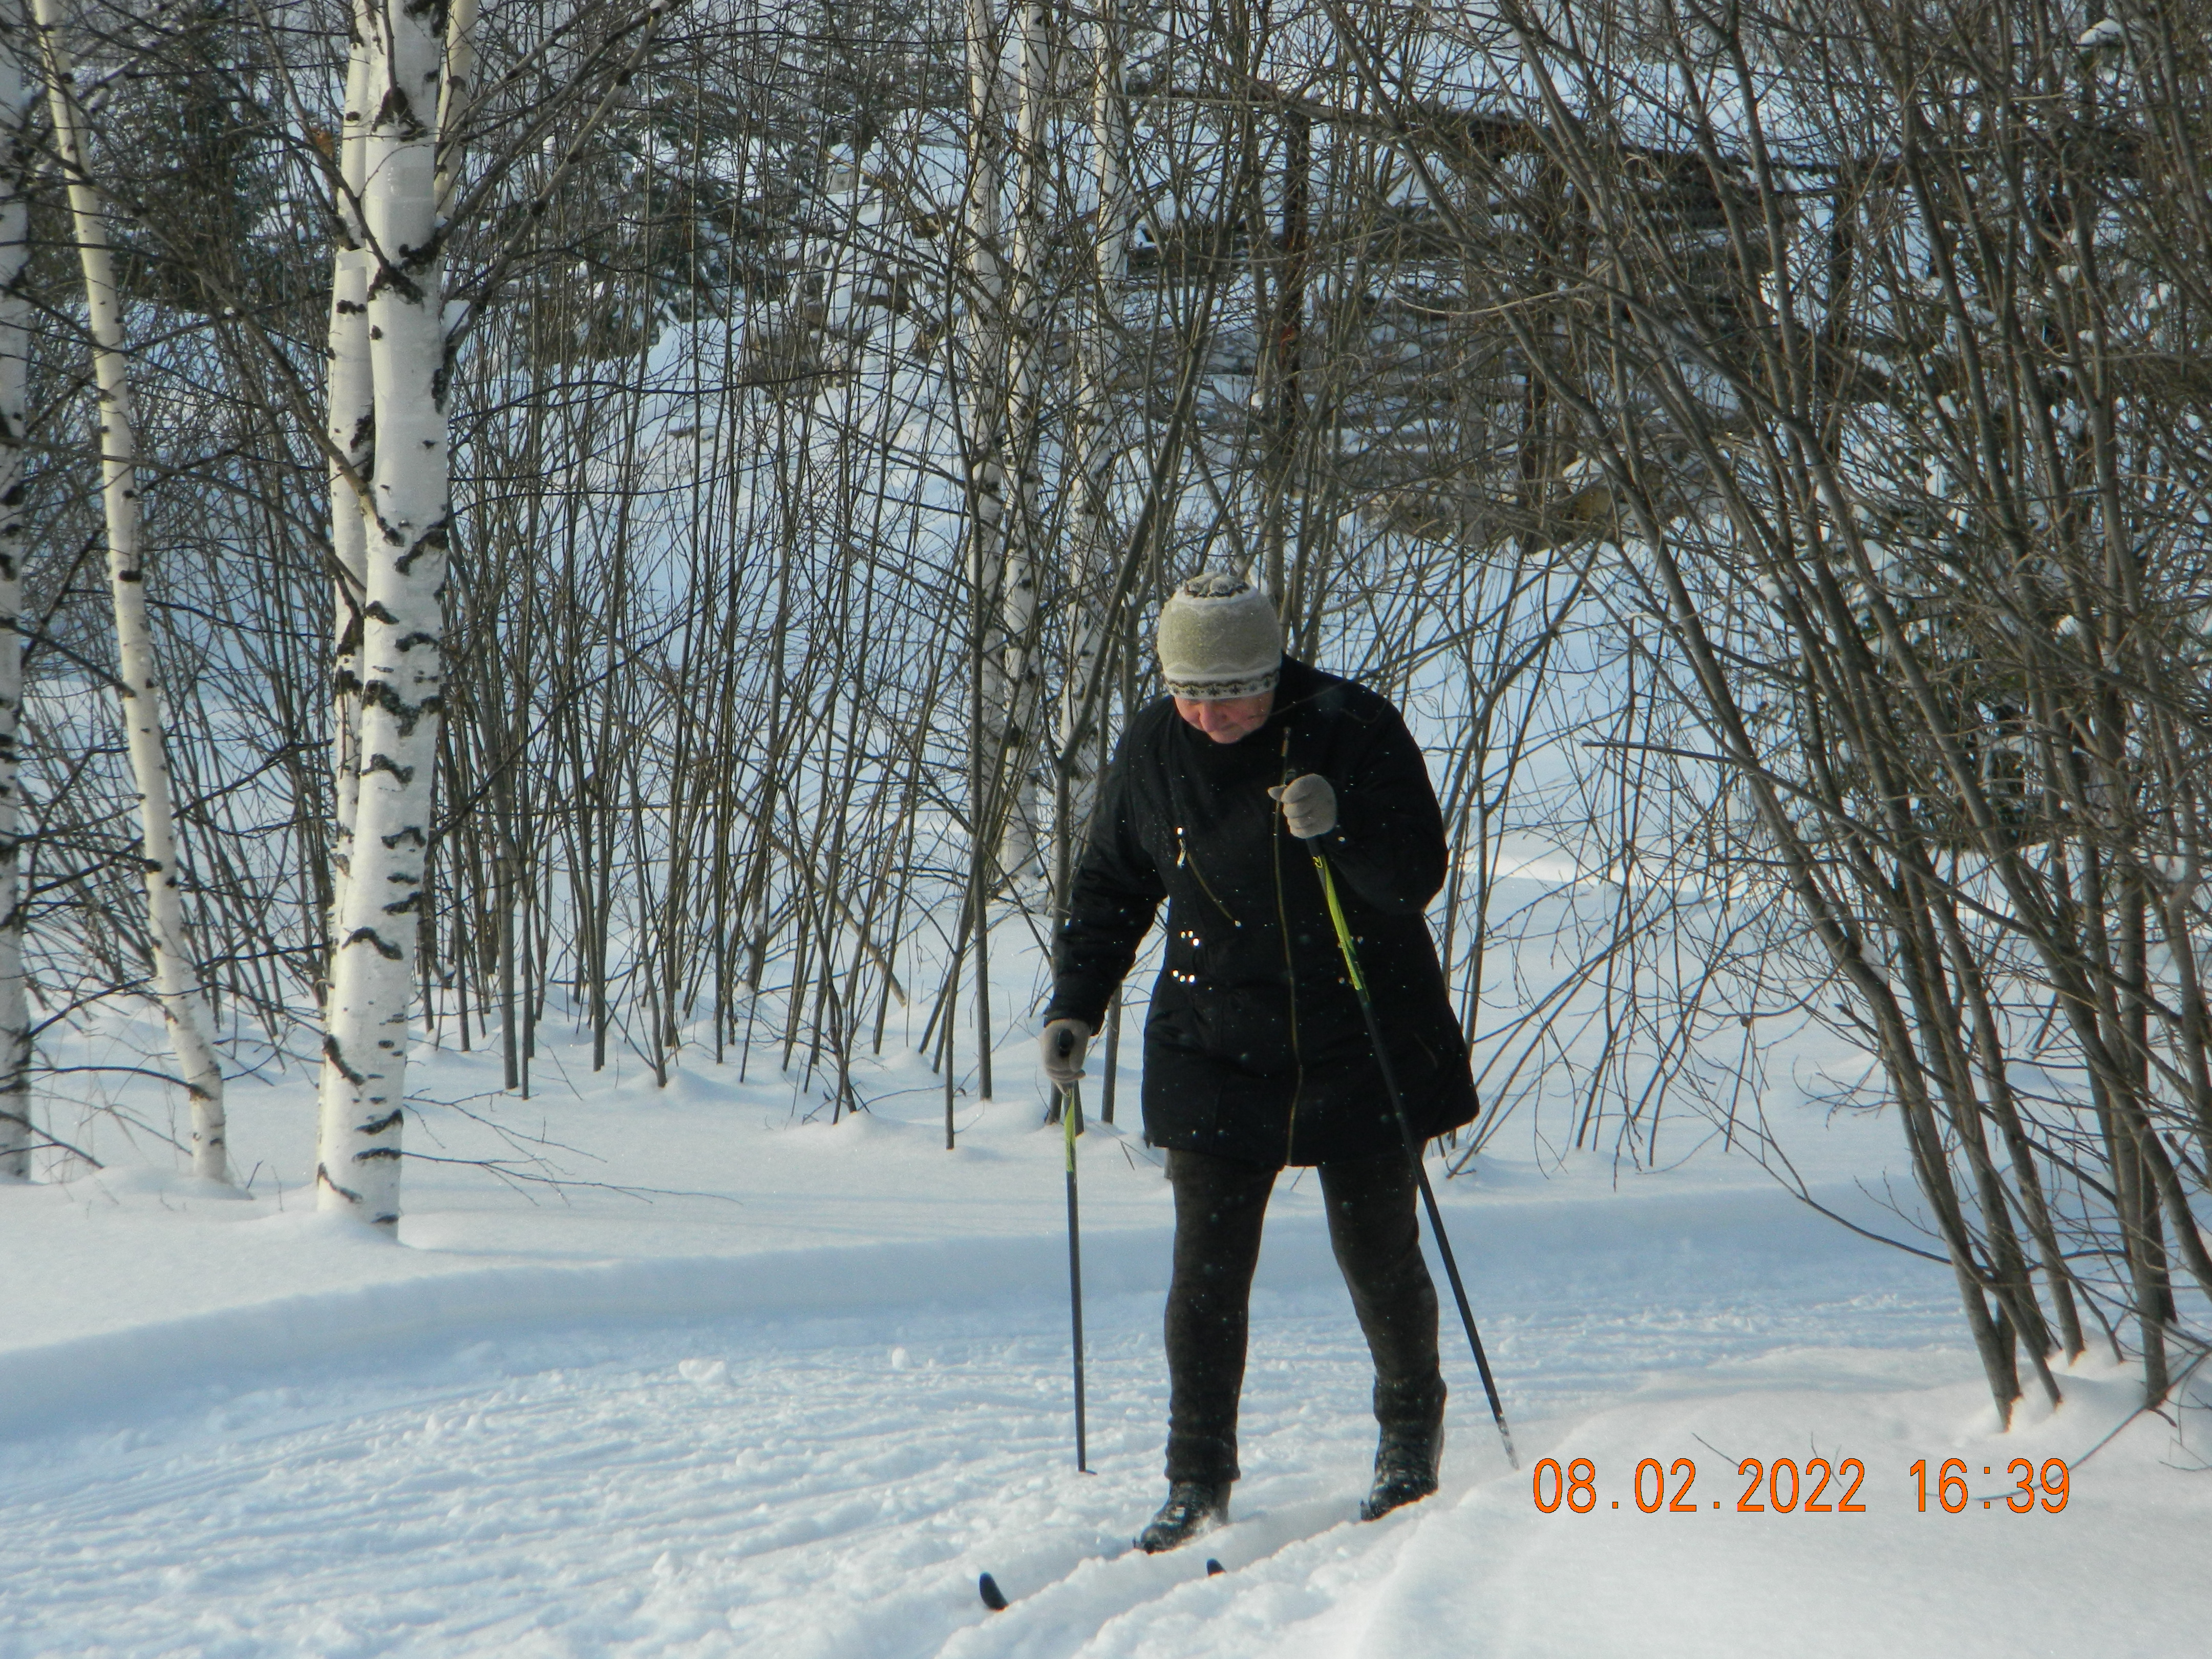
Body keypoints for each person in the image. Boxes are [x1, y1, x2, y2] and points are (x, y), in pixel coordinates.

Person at [1039, 570, 1479, 1552]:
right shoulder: (1157, 746)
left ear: (1275, 671)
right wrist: (1077, 1003)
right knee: (1206, 1275)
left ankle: (1410, 1439)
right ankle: (1197, 1481)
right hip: (1217, 1038)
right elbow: (1112, 883)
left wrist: (1342, 828)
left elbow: (1416, 874)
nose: (1213, 713)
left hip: (1357, 1031)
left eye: (1236, 689)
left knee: (1377, 1252)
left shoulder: (1352, 725)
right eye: (1194, 692)